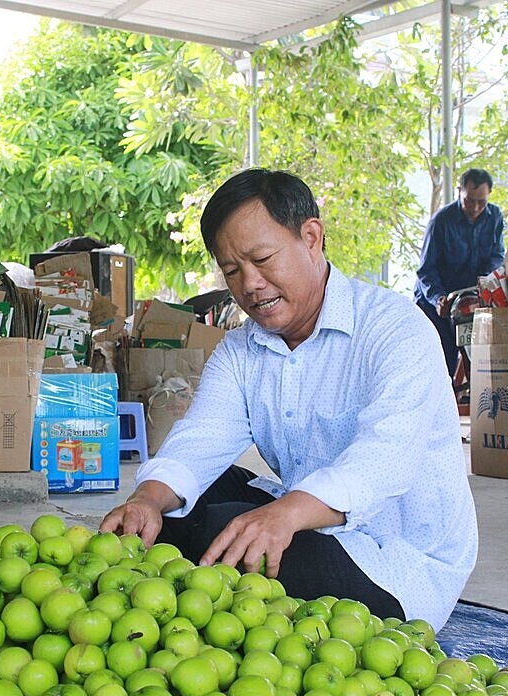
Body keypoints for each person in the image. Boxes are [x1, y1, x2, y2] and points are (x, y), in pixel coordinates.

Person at [100, 169, 477, 630]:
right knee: (179, 506)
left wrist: (284, 515)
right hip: (305, 521)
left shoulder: (395, 329)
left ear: (311, 238)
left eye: (262, 259)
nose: (250, 284)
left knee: (223, 530)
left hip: (397, 557)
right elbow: (200, 439)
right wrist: (145, 499)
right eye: (232, 271)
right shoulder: (241, 349)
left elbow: (385, 460)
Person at [415, 168, 506, 378]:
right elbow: (426, 270)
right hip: (438, 303)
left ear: (489, 195)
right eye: (469, 201)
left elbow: (496, 256)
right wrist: (439, 299)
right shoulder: (441, 221)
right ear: (459, 191)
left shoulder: (495, 217)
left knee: (480, 363)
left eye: (481, 202)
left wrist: (486, 279)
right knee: (441, 364)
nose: (475, 208)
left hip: (470, 301)